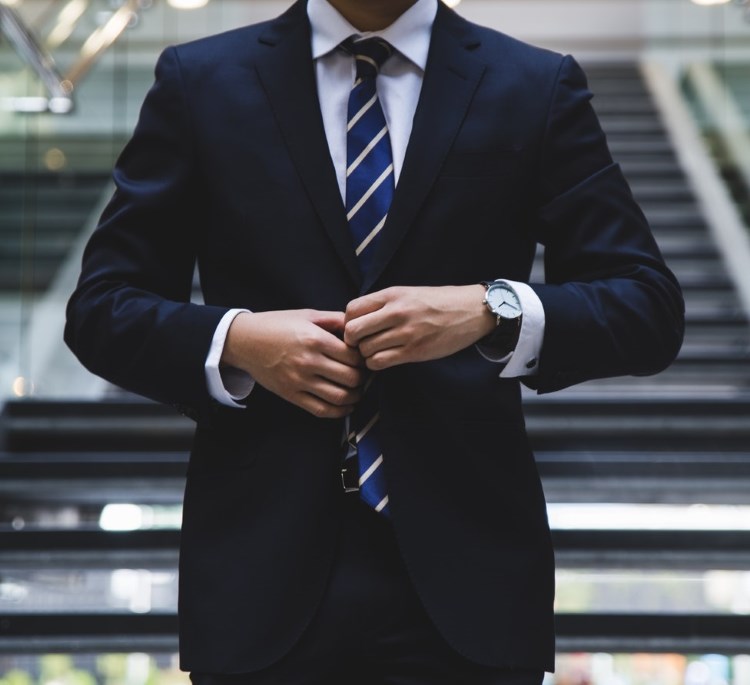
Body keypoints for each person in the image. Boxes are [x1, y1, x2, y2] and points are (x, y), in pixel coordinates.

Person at [64, 0, 685, 681]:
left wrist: (491, 307)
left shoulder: (533, 84)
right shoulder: (201, 80)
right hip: (259, 576)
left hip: (470, 584)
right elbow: (101, 308)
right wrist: (237, 339)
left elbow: (646, 306)